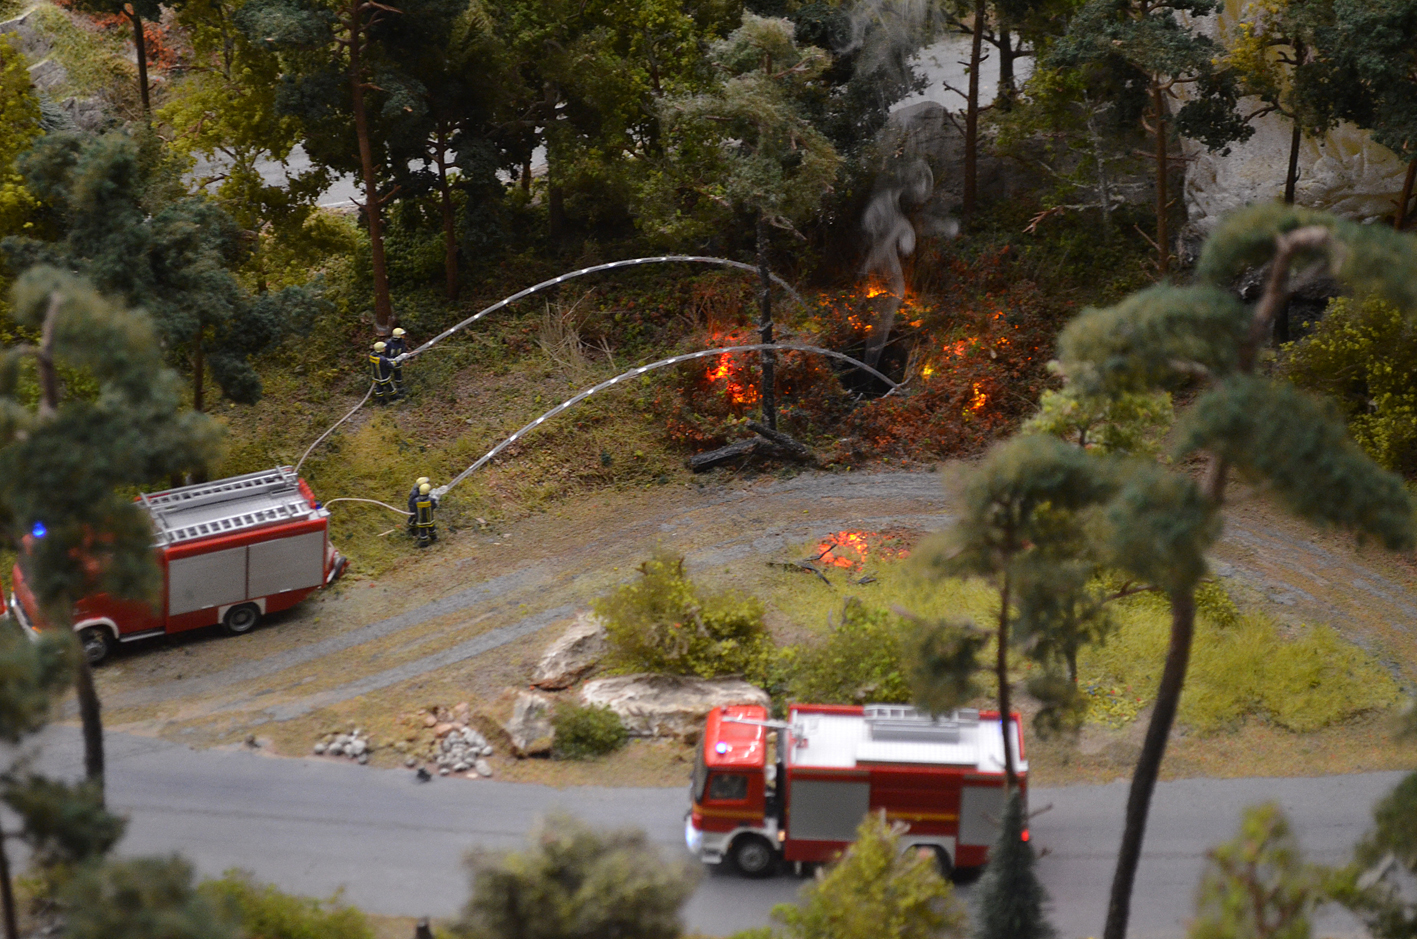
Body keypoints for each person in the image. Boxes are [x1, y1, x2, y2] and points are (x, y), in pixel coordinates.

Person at [414, 482, 438, 548]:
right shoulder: (431, 500)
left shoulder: (416, 500)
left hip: (421, 520)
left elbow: (414, 509)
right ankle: (434, 538)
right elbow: (434, 506)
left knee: (423, 532)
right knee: (432, 529)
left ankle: (424, 542)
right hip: (429, 519)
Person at [386, 327, 409, 395]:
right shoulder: (389, 343)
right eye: (402, 335)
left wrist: (405, 356)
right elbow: (385, 354)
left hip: (398, 362)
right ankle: (387, 389)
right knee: (387, 376)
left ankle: (399, 387)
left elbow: (403, 350)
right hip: (389, 362)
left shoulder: (402, 342)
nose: (403, 336)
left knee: (398, 374)